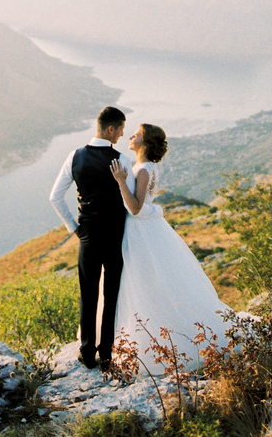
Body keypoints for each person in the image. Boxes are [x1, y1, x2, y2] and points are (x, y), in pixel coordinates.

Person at [107, 123, 232, 373]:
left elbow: (136, 208)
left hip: (139, 232)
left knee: (140, 283)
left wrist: (120, 181)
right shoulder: (147, 167)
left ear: (144, 142)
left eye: (137, 134)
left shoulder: (142, 170)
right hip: (147, 231)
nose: (131, 136)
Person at [49, 106, 128, 370]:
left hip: (89, 235)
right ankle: (106, 352)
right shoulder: (121, 160)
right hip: (115, 235)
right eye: (120, 129)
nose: (121, 135)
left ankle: (87, 351)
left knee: (89, 294)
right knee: (111, 293)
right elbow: (128, 202)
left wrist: (74, 228)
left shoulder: (75, 157)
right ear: (109, 129)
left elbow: (55, 197)